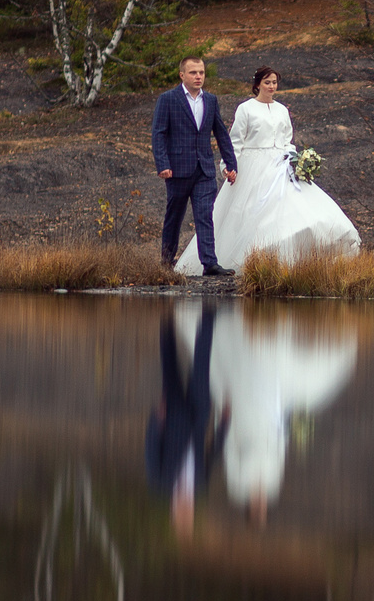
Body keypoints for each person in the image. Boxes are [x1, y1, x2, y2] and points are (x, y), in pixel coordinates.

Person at [206, 314, 356, 525]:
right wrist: (285, 430)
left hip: (245, 418)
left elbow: (229, 450)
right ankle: (269, 333)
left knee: (253, 375)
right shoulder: (272, 485)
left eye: (258, 509)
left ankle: (252, 333)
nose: (261, 505)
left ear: (251, 509)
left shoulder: (237, 484)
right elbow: (279, 454)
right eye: (263, 509)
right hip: (271, 424)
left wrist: (224, 421)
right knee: (273, 382)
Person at [210, 67, 363, 265]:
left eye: (274, 82)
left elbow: (287, 139)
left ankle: (294, 256)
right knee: (252, 212)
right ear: (257, 85)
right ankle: (250, 257)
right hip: (253, 165)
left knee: (294, 208)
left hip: (281, 165)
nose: (271, 86)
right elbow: (235, 141)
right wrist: (228, 166)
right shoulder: (246, 108)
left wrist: (294, 160)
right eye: (267, 82)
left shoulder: (282, 109)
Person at [143, 300, 228, 533]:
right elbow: (212, 455)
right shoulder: (200, 486)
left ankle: (165, 317)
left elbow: (151, 449)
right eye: (187, 513)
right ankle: (209, 314)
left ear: (173, 509)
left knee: (169, 361)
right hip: (200, 414)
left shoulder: (159, 482)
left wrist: (156, 419)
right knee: (202, 363)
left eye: (180, 513)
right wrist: (224, 425)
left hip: (172, 416)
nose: (184, 509)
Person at [153, 56, 240, 276]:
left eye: (201, 72)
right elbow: (159, 134)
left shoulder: (210, 100)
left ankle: (209, 263)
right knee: (174, 217)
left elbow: (220, 132)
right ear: (182, 75)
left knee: (204, 215)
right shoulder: (168, 99)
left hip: (204, 170)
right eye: (193, 72)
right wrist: (162, 164)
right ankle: (166, 262)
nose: (198, 76)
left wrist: (231, 163)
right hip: (177, 170)